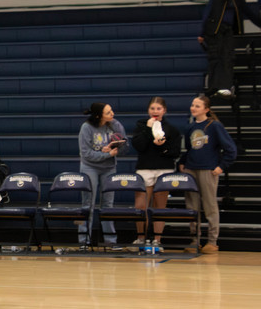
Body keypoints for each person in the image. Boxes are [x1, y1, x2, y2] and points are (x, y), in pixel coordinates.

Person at [179, 94, 237, 254]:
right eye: (192, 105)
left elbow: (231, 149)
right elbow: (190, 149)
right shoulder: (189, 127)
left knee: (210, 206)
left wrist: (221, 166)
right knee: (192, 206)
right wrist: (182, 162)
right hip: (191, 169)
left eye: (197, 106)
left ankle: (212, 241)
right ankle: (194, 240)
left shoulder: (214, 126)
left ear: (206, 109)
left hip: (208, 170)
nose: (193, 108)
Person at [197, 0, 261, 97]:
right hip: (214, 31)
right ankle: (213, 87)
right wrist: (202, 32)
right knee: (214, 58)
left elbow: (249, 14)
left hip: (228, 31)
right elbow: (207, 12)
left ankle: (224, 86)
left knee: (227, 57)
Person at [129, 96, 182, 248]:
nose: (155, 111)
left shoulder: (172, 129)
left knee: (160, 206)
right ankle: (140, 238)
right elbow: (139, 146)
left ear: (164, 110)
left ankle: (157, 240)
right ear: (148, 110)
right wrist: (148, 129)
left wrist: (161, 146)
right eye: (152, 108)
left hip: (163, 169)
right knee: (140, 205)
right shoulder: (141, 125)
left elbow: (175, 152)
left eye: (158, 108)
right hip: (144, 168)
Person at [77, 102, 128, 248]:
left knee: (108, 205)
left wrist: (119, 146)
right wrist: (105, 154)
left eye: (111, 111)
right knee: (88, 204)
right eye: (108, 113)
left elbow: (125, 145)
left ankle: (111, 241)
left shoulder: (115, 125)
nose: (112, 114)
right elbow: (86, 154)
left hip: (109, 168)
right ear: (99, 116)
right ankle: (84, 241)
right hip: (90, 167)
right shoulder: (86, 128)